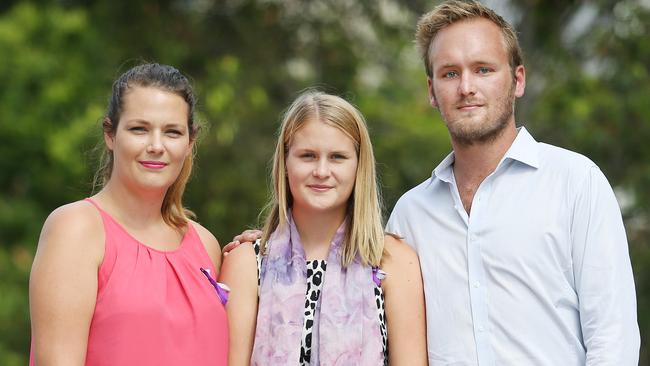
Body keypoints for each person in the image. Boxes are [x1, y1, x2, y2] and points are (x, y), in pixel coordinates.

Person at [385, 1, 640, 365]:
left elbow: (612, 339)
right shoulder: (410, 216)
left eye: (483, 69)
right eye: (450, 74)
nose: (467, 87)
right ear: (431, 91)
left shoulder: (575, 183)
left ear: (517, 79)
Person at [29, 63, 228, 365]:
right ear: (110, 134)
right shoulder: (76, 229)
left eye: (172, 132)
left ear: (190, 143)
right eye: (139, 129)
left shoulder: (206, 245)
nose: (156, 146)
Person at [219, 90, 427, 365]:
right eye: (307, 156)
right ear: (285, 163)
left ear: (358, 166)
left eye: (338, 157)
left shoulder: (393, 261)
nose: (321, 171)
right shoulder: (248, 263)